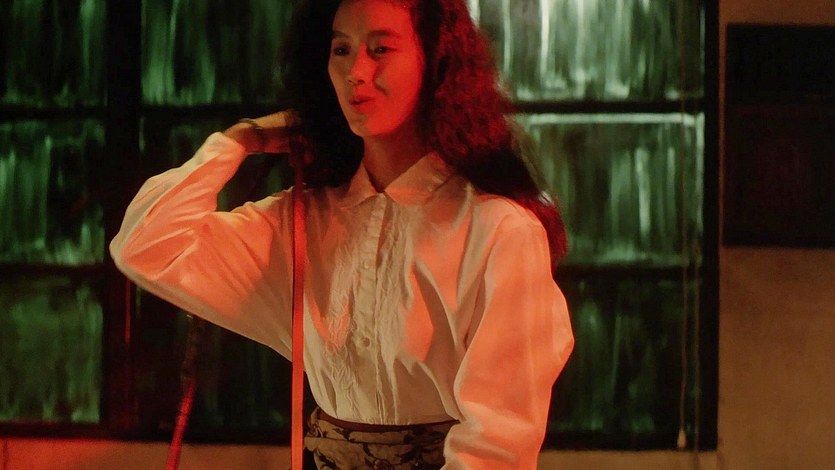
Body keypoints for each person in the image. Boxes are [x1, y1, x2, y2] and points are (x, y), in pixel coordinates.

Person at [110, 0, 574, 468]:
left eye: (380, 49)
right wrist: (240, 140)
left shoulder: (498, 231)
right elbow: (146, 246)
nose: (356, 72)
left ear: (436, 62)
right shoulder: (302, 223)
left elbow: (497, 442)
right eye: (341, 49)